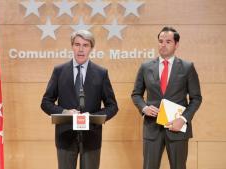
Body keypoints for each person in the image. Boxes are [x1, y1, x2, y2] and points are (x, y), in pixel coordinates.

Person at [41, 30, 118, 169]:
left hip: (91, 137)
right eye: (77, 44)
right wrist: (65, 112)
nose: (81, 49)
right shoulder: (59, 71)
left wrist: (93, 117)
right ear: (72, 46)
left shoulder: (101, 73)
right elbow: (46, 102)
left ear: (91, 48)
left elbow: (112, 106)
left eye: (85, 45)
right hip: (65, 137)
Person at [131, 26, 202, 169]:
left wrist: (182, 119)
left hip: (177, 128)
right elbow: (136, 94)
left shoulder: (187, 67)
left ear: (176, 45)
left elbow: (196, 98)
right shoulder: (146, 67)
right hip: (152, 128)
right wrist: (144, 107)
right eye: (160, 41)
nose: (163, 44)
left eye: (168, 41)